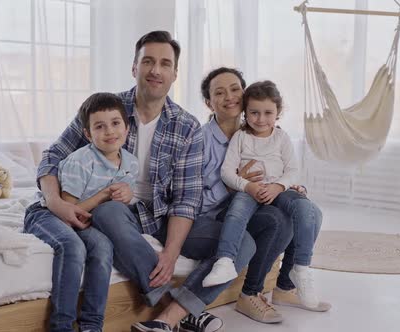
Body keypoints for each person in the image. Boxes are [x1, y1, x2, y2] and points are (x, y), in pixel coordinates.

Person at [36, 31, 252, 332]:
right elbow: (53, 154)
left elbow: (187, 200)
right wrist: (54, 201)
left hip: (162, 214)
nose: (155, 70)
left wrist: (171, 252)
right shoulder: (105, 109)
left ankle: (171, 317)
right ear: (134, 67)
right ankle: (179, 310)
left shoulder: (186, 125)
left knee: (243, 242)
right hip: (117, 209)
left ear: (175, 74)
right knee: (108, 209)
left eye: (165, 63)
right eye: (148, 61)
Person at [204, 77, 331, 314]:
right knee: (238, 211)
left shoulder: (281, 138)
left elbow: (292, 169)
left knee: (310, 211)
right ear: (245, 112)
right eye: (254, 113)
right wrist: (247, 186)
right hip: (249, 191)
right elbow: (226, 172)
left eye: (267, 113)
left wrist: (281, 186)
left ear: (278, 112)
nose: (260, 119)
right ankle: (225, 261)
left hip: (276, 189)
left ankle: (299, 271)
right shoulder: (240, 137)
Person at [24, 92, 138, 332]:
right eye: (100, 126)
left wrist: (127, 193)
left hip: (83, 220)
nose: (110, 131)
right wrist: (104, 195)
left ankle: (91, 325)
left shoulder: (130, 163)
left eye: (116, 123)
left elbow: (125, 199)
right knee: (72, 246)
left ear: (127, 128)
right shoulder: (81, 162)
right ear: (88, 134)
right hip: (49, 213)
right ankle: (62, 325)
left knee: (104, 247)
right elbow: (68, 211)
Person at [199, 67, 293, 324]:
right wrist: (234, 185)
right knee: (274, 220)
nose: (229, 96)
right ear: (209, 102)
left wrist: (284, 184)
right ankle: (250, 290)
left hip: (247, 206)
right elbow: (192, 198)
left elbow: (280, 165)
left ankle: (264, 289)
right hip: (212, 215)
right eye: (219, 92)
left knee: (286, 214)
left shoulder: (256, 131)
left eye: (235, 89)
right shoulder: (201, 140)